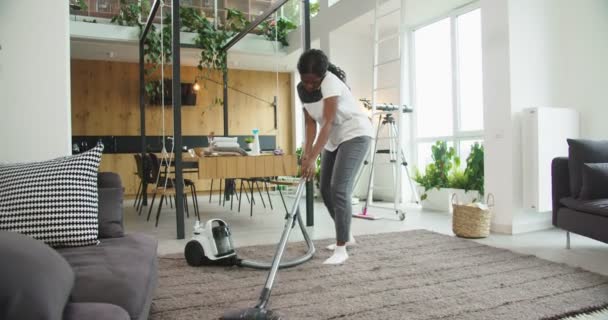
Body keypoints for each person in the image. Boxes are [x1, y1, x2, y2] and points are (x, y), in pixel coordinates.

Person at [297, 49, 373, 265]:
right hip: (334, 139)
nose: (310, 86)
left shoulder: (330, 83)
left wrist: (313, 158)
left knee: (339, 188)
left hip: (355, 133)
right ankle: (347, 236)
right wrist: (306, 153)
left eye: (314, 81)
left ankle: (341, 249)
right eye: (305, 81)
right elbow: (311, 122)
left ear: (322, 75)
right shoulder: (302, 89)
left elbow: (328, 121)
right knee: (325, 189)